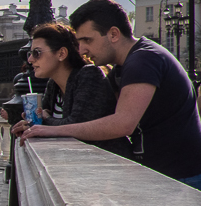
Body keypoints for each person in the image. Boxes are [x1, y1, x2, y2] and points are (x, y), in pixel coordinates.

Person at [21, 0, 201, 199]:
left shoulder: (144, 60)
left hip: (190, 180)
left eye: (87, 40)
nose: (81, 50)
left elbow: (122, 124)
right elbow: (98, 118)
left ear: (113, 34)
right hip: (166, 179)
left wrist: (51, 129)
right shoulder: (122, 68)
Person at [7, 22, 130, 157]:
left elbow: (76, 127)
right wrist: (30, 124)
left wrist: (46, 118)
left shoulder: (89, 75)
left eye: (36, 53)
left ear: (61, 53)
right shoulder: (53, 85)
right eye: (30, 53)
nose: (30, 59)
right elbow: (46, 126)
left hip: (110, 165)